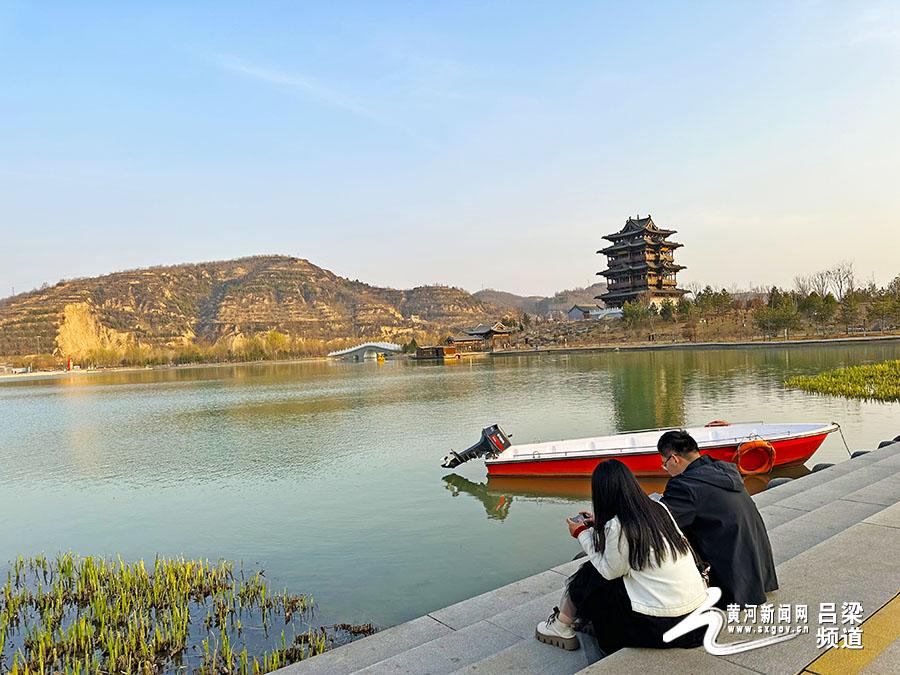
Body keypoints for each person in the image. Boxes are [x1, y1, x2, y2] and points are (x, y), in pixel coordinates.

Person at [535, 460, 706, 655]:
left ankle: (560, 626)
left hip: (664, 627)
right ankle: (575, 620)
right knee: (604, 572)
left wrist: (581, 532)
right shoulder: (659, 509)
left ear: (602, 493)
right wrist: (598, 523)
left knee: (591, 572)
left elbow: (608, 571)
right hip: (695, 618)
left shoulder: (618, 526)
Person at [657, 429, 777, 607]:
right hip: (758, 570)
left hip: (733, 584)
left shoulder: (685, 485)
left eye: (665, 464)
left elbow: (661, 522)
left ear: (674, 459)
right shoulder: (723, 470)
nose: (666, 469)